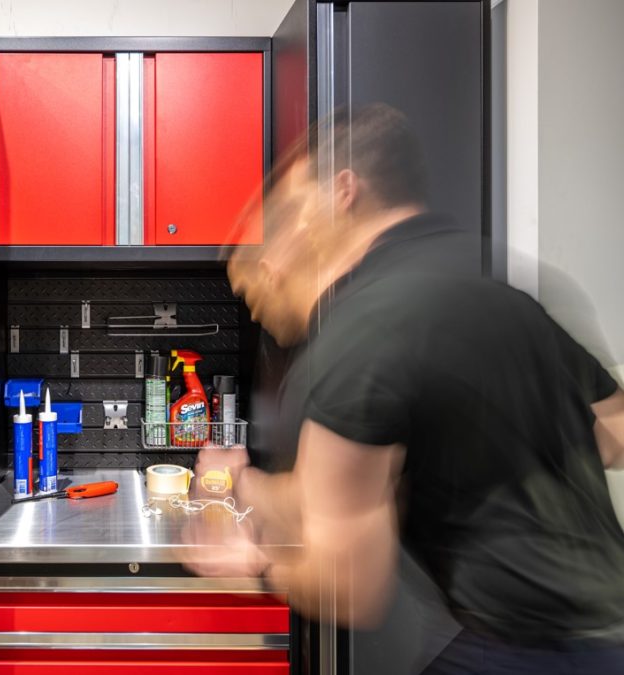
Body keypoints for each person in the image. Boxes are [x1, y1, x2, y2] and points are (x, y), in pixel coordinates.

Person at [185, 104, 624, 674]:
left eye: (291, 208)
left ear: (343, 191)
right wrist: (247, 483)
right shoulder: (497, 291)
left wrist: (248, 561)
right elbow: (613, 432)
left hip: (520, 652)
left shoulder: (362, 331)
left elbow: (347, 583)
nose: (282, 233)